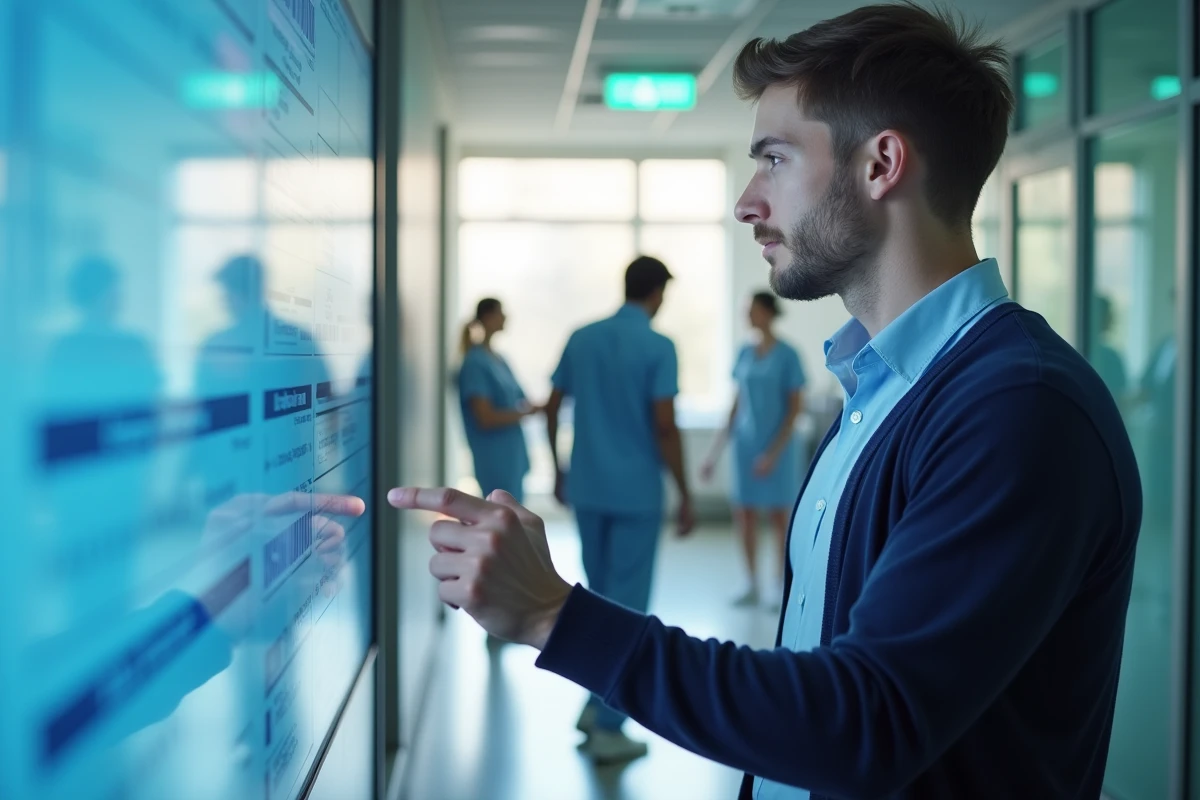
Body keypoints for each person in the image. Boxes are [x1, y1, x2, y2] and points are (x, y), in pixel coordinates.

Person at [389, 4, 1142, 799]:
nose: (747, 203)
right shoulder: (876, 389)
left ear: (881, 164)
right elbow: (816, 680)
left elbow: (865, 723)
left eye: (774, 160)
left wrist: (555, 616)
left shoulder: (1017, 410)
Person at [542, 255, 695, 764]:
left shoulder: (582, 337)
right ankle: (609, 725)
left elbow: (551, 405)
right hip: (634, 495)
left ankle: (594, 701)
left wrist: (558, 469)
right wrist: (686, 491)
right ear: (657, 294)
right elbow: (665, 426)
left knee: (598, 596)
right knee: (626, 607)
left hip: (588, 487)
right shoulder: (658, 346)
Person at [702, 291, 806, 608]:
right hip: (745, 447)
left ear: (768, 312)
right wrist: (713, 453)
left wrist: (773, 454)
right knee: (744, 514)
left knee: (778, 517)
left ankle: (778, 584)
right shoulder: (744, 352)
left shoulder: (789, 355)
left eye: (751, 309)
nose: (746, 315)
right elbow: (736, 405)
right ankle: (750, 582)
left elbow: (794, 410)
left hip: (780, 447)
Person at [456, 298, 539, 504]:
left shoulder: (499, 359)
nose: (505, 317)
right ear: (488, 317)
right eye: (501, 312)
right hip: (494, 457)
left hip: (512, 454)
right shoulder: (475, 363)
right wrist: (525, 413)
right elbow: (485, 417)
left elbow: (521, 399)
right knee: (501, 512)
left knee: (513, 513)